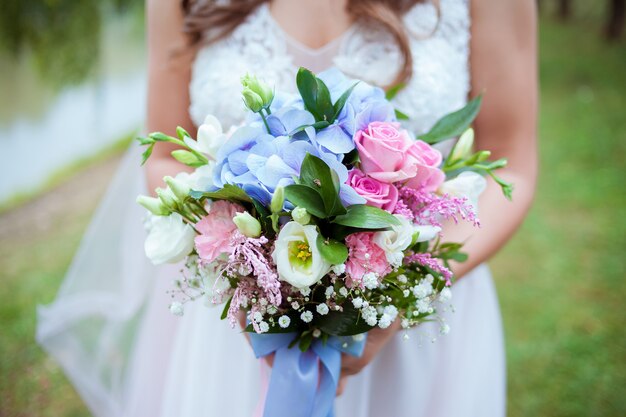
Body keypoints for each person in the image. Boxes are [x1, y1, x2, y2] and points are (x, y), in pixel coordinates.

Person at [38, 0, 537, 416]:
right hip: (239, 321)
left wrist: (401, 295)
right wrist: (250, 279)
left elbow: (511, 164)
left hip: (416, 317)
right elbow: (167, 152)